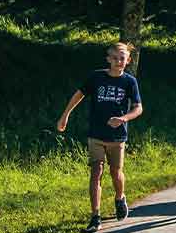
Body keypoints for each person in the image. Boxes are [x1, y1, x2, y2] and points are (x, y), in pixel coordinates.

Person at [56, 42, 145, 232]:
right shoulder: (96, 77)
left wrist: (123, 118)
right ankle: (95, 217)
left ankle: (120, 197)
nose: (119, 61)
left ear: (128, 60)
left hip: (117, 137)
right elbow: (78, 95)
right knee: (96, 173)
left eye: (122, 58)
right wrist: (65, 115)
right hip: (96, 135)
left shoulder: (129, 82)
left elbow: (138, 108)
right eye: (115, 58)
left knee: (116, 173)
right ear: (108, 59)